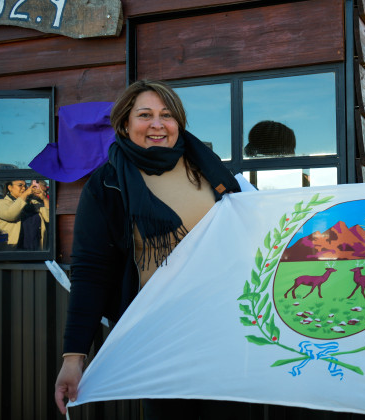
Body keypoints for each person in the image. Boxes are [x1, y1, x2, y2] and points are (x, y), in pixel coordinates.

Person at [54, 80, 249, 418]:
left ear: (179, 123)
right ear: (125, 124)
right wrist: (74, 358)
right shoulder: (107, 184)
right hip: (159, 337)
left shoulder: (209, 169)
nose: (158, 124)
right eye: (145, 115)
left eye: (167, 115)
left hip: (223, 327)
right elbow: (90, 274)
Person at [0, 179, 49, 250]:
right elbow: (11, 215)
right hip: (14, 251)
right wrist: (25, 194)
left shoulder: (33, 203)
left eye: (25, 186)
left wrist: (44, 198)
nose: (24, 188)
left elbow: (48, 218)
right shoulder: (1, 203)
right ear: (10, 187)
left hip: (35, 250)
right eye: (20, 185)